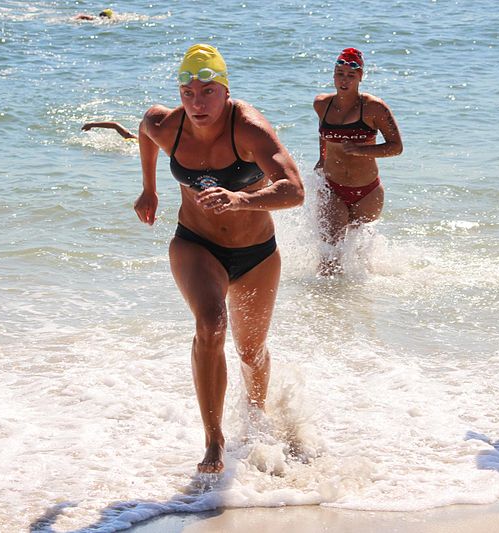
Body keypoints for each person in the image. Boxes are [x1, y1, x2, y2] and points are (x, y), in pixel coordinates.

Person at [134, 44, 303, 473]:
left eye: (207, 91)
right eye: (188, 92)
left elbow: (294, 189)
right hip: (196, 243)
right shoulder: (166, 124)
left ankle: (258, 416)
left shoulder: (247, 128)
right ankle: (214, 441)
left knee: (251, 352)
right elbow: (143, 129)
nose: (196, 102)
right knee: (210, 324)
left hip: (256, 256)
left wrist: (240, 200)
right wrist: (149, 188)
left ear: (225, 91)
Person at [313, 47, 403, 275]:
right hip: (332, 187)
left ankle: (356, 304)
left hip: (368, 192)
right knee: (330, 255)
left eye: (350, 75)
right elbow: (323, 135)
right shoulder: (322, 104)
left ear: (360, 77)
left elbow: (396, 147)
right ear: (333, 75)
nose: (344, 80)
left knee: (359, 260)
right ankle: (325, 304)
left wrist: (360, 150)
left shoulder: (374, 107)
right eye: (339, 73)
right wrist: (321, 159)